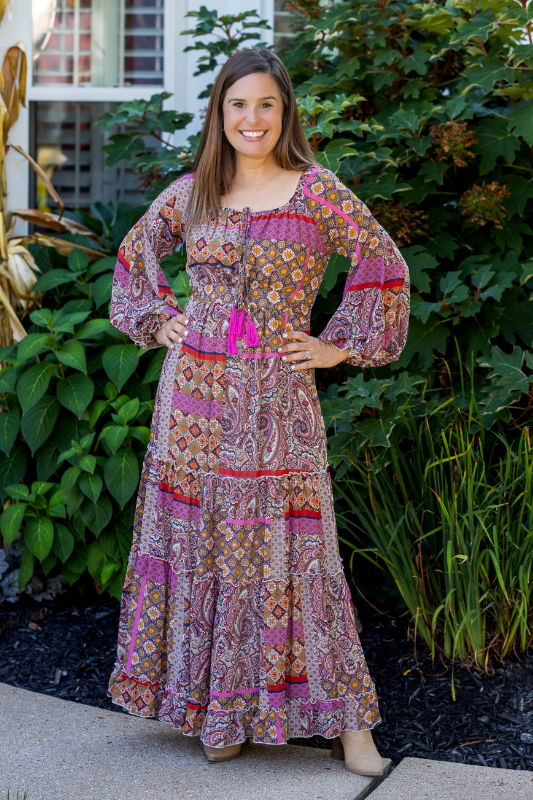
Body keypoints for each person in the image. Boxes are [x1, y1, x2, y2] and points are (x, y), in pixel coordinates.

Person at [108, 48, 409, 776]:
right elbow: (134, 255)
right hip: (192, 404)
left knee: (297, 554)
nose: (252, 118)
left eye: (266, 104)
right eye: (238, 104)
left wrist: (339, 346)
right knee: (202, 547)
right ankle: (217, 711)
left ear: (285, 112)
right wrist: (158, 319)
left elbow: (383, 263)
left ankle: (349, 726)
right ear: (220, 112)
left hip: (276, 404)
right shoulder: (193, 194)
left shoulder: (317, 191)